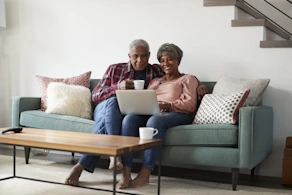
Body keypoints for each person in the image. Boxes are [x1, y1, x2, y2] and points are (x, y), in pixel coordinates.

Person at [64, 39, 208, 186]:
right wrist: (117, 87)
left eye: (144, 56)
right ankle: (121, 165)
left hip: (163, 113)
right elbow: (95, 95)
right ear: (129, 56)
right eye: (135, 56)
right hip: (107, 105)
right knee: (120, 110)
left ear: (149, 56)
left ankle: (128, 167)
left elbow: (185, 84)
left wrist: (199, 84)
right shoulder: (119, 70)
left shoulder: (157, 71)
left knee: (137, 120)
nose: (139, 60)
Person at [116, 43, 199, 189]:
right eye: (162, 60)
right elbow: (145, 98)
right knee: (129, 119)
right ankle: (126, 171)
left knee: (155, 120)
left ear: (178, 61)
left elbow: (191, 105)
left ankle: (145, 174)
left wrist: (168, 106)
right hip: (153, 111)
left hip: (178, 114)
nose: (165, 63)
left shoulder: (188, 79)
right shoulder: (155, 81)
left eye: (170, 59)